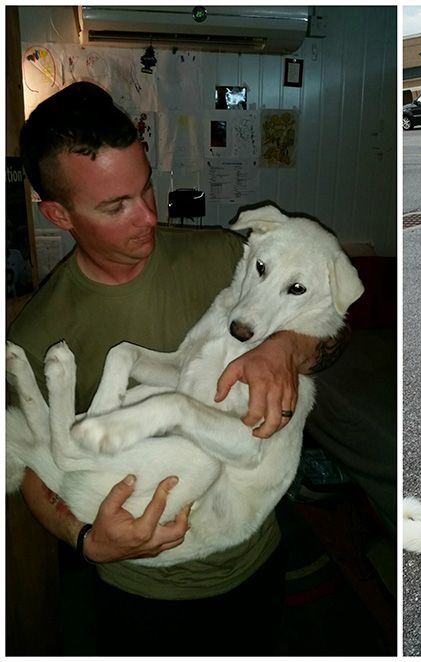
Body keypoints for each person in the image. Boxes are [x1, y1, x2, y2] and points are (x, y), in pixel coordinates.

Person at [9, 81, 349, 654]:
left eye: (146, 189)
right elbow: (30, 467)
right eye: (116, 206)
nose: (148, 216)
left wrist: (286, 348)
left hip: (257, 555)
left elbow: (334, 340)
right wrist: (86, 540)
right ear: (58, 214)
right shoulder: (38, 333)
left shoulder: (222, 256)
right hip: (142, 590)